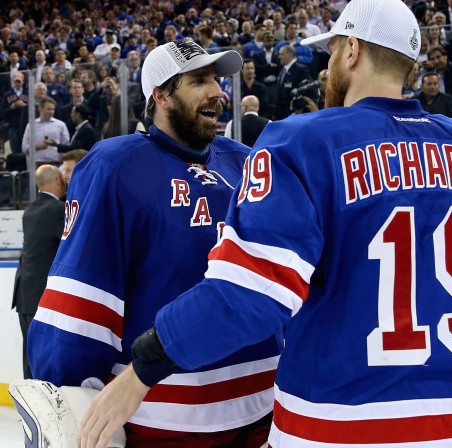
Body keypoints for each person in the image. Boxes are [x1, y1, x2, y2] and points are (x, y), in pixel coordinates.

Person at [77, 0, 452, 446]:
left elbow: (247, 297)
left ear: (351, 50)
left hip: (331, 429)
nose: (328, 64)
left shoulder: (298, 142)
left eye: (332, 51)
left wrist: (142, 366)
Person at [23, 38, 281, 447]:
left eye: (216, 80)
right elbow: (83, 298)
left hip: (266, 416)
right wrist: (68, 393)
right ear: (160, 95)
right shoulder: (116, 165)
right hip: (169, 424)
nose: (218, 91)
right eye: (199, 81)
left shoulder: (245, 161)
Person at [11, 164, 66, 379]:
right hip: (42, 297)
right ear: (58, 181)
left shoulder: (30, 210)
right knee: (45, 357)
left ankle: (28, 408)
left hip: (24, 294)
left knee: (29, 356)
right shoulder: (57, 210)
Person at [22, 97, 70, 164]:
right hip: (37, 162)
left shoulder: (61, 125)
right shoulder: (31, 125)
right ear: (40, 108)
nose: (51, 112)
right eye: (49, 109)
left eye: (53, 109)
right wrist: (38, 146)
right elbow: (24, 147)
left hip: (56, 162)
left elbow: (66, 145)